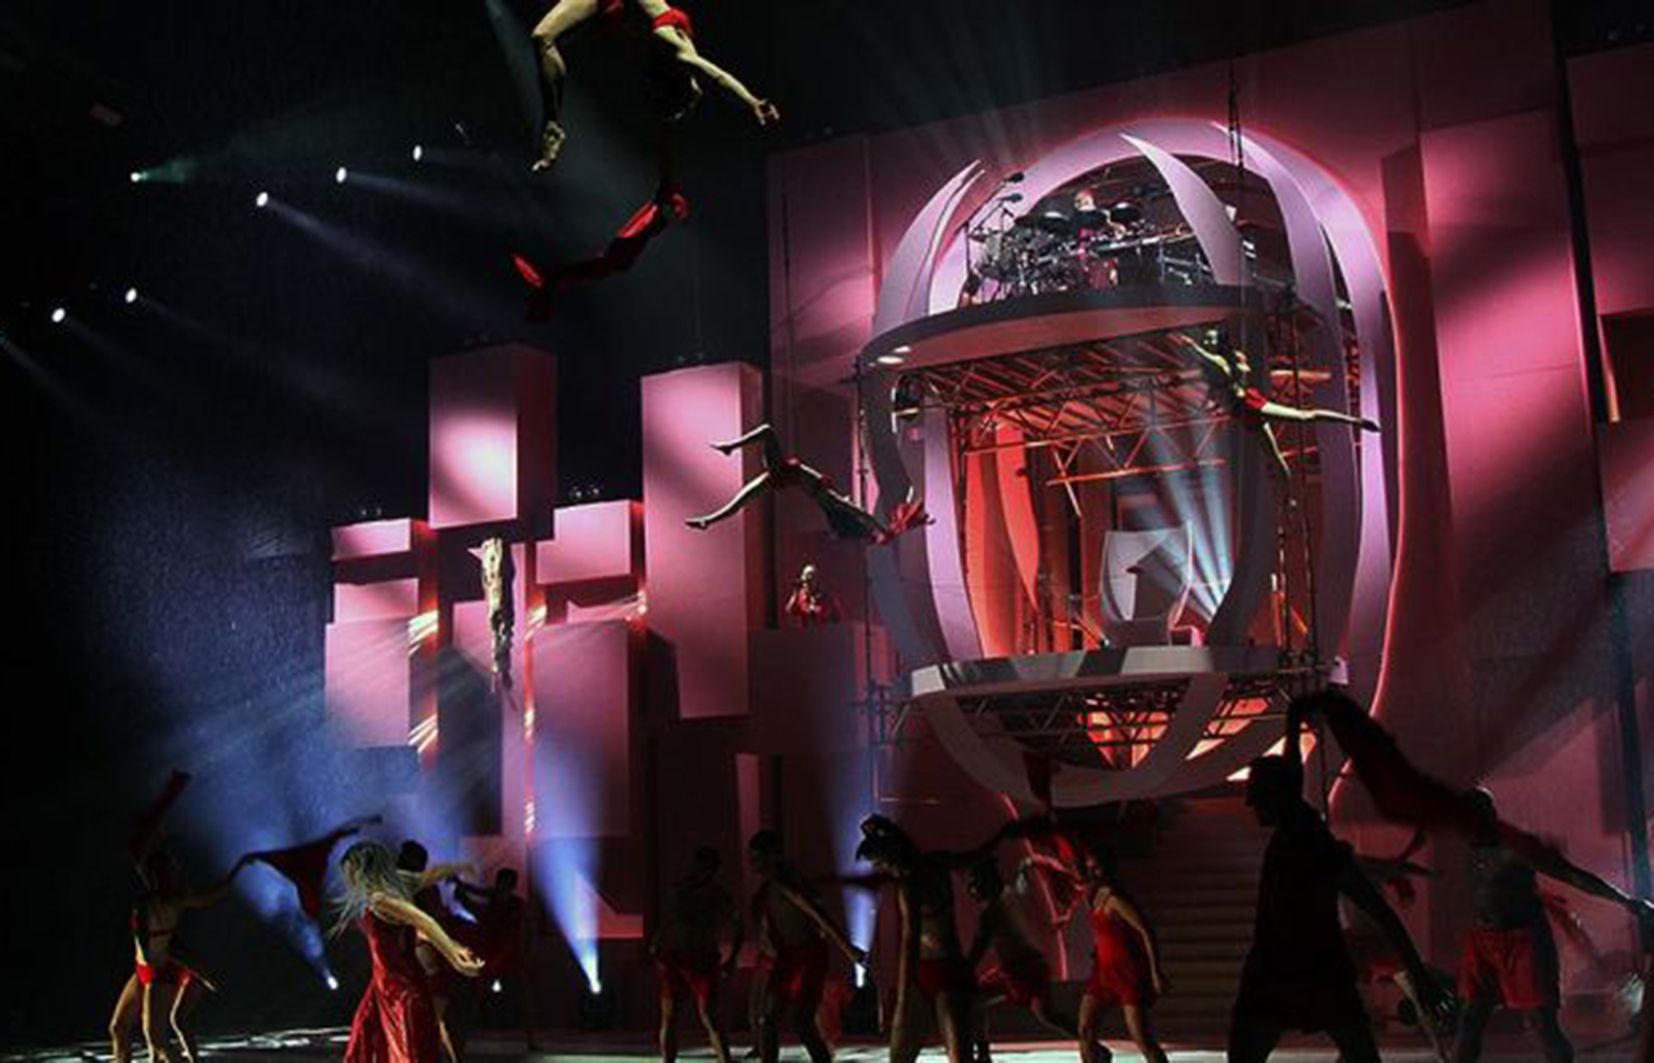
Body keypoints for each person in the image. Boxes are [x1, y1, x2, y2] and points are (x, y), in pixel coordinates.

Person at [1227, 750, 1447, 1063]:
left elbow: (1381, 912)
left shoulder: (1314, 847)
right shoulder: (1301, 839)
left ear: (1277, 794)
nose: (1250, 803)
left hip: (1301, 969)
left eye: (1256, 793)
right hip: (1298, 969)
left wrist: (1419, 975)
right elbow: (1381, 911)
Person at [1452, 787, 1653, 1062]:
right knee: (1470, 1018)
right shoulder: (1472, 850)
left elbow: (1572, 875)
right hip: (1482, 942)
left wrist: (1625, 900)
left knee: (1542, 1023)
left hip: (1523, 942)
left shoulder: (1515, 849)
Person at [853, 813, 1052, 1063]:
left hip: (938, 974)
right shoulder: (937, 863)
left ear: (890, 855)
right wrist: (1002, 834)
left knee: (925, 1055)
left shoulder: (909, 885)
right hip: (947, 971)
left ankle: (982, 1050)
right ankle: (982, 1050)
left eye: (880, 863)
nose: (882, 870)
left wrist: (902, 997)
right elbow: (978, 854)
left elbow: (909, 941)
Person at [526, 0, 778, 173]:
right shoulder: (673, 49)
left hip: (615, 11)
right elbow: (716, 76)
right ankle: (552, 123)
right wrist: (751, 102)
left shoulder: (667, 56)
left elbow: (705, 83)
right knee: (543, 38)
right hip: (622, 11)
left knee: (543, 37)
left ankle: (552, 125)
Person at [335, 842, 485, 1063]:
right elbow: (432, 875)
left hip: (399, 990)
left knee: (408, 1051)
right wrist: (460, 867)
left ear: (362, 870)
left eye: (351, 873)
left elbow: (423, 921)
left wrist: (454, 956)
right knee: (367, 1046)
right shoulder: (398, 883)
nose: (350, 882)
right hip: (383, 987)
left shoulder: (381, 899)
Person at [1170, 330, 1378, 477]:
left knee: (1304, 417)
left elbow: (1205, 358)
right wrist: (1212, 404)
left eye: (1211, 339)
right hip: (1242, 413)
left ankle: (1354, 421)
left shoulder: (1220, 362)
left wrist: (1191, 345)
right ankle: (1288, 498)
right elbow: (1215, 387)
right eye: (1206, 339)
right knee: (1275, 458)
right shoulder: (1216, 368)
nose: (1207, 341)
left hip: (1249, 405)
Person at [685, 423, 929, 545]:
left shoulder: (831, 500)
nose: (847, 497)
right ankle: (708, 520)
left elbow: (862, 514)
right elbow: (862, 516)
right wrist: (882, 531)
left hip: (784, 473)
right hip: (783, 476)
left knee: (767, 432)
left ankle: (729, 449)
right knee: (740, 500)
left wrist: (882, 530)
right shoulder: (830, 499)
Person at [115, 846, 252, 1063]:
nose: (155, 877)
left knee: (157, 1039)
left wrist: (237, 870)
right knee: (119, 1027)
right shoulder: (148, 896)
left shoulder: (173, 899)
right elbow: (138, 857)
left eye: (162, 872)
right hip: (141, 969)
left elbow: (210, 896)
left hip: (160, 972)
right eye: (153, 872)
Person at [747, 831, 865, 1063]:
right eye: (752, 858)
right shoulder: (769, 888)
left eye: (758, 858)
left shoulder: (786, 883)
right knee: (768, 1019)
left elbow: (817, 914)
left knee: (801, 1022)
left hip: (808, 956)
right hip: (786, 958)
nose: (754, 864)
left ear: (773, 856)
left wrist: (847, 948)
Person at [964, 859, 1072, 1062]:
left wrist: (963, 969)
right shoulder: (1006, 895)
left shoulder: (992, 911)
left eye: (974, 883)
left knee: (1046, 1014)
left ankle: (1086, 1037)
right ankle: (984, 1055)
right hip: (1017, 967)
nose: (972, 889)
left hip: (1026, 968)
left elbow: (979, 947)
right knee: (977, 1001)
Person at [1072, 847, 1168, 1063]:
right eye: (1090, 867)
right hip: (1103, 973)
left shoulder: (1116, 899)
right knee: (1085, 1030)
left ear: (1108, 868)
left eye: (1097, 867)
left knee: (1143, 1040)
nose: (1092, 872)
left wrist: (1155, 972)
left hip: (1128, 973)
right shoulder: (1094, 896)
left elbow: (1145, 930)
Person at [654, 847, 744, 1063]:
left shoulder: (717, 895)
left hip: (702, 959)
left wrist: (733, 958)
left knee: (710, 1017)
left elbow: (739, 925)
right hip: (675, 957)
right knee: (670, 1016)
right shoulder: (679, 890)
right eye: (698, 866)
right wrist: (657, 942)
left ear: (712, 870)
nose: (699, 871)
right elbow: (668, 920)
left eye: (705, 868)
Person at [454, 868, 538, 1052]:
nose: (502, 886)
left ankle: (531, 1040)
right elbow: (479, 901)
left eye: (505, 883)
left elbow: (526, 929)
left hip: (509, 955)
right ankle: (461, 1041)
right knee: (477, 997)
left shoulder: (516, 905)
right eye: (501, 882)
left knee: (523, 998)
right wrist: (462, 888)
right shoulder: (496, 901)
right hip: (493, 954)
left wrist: (527, 951)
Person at [396, 842, 463, 1063]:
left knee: (432, 1013)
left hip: (422, 952)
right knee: (432, 1014)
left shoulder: (414, 888)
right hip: (419, 952)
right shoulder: (410, 889)